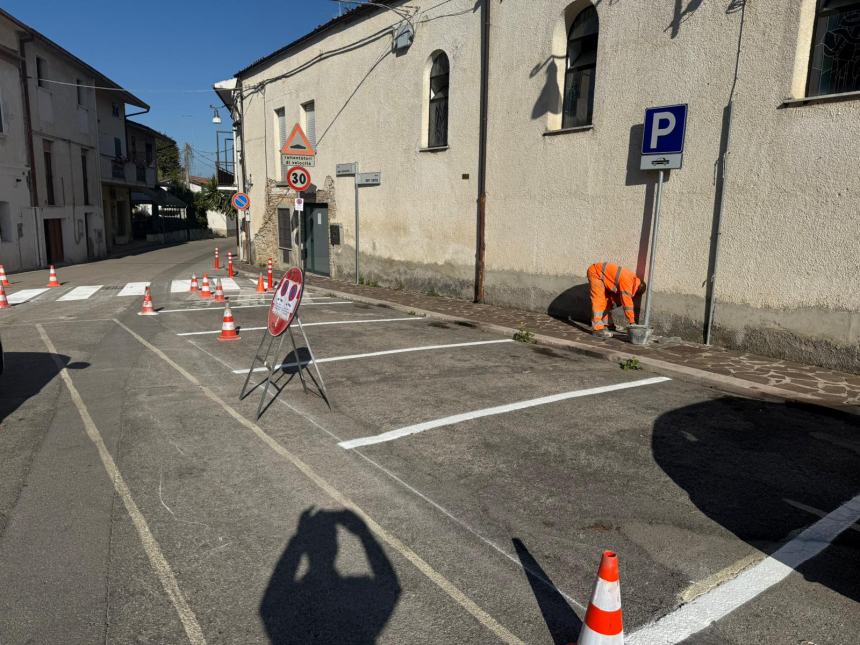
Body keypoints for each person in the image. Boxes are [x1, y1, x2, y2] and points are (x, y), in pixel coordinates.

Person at [587, 262, 645, 338]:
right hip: (596, 273)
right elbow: (627, 304)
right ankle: (597, 329)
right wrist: (632, 322)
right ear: (637, 290)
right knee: (599, 300)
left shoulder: (632, 279)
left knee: (608, 302)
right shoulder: (628, 283)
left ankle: (607, 324)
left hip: (601, 274)